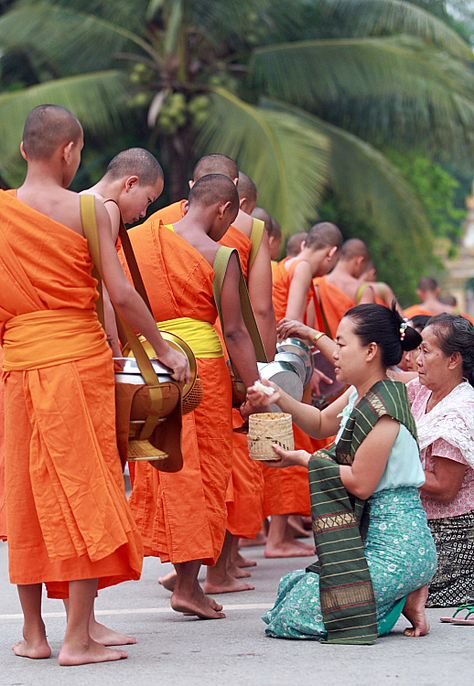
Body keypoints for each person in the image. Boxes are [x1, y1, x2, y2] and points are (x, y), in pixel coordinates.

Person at [0, 104, 188, 666]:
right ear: (69, 151)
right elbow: (121, 294)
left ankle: (34, 635)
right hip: (76, 363)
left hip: (18, 363)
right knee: (88, 492)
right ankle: (77, 639)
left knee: (28, 496)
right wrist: (161, 347)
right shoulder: (88, 210)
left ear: (23, 150)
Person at [247, 304, 437, 642]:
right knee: (291, 590)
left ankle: (396, 595)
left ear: (370, 352)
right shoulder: (361, 394)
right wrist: (279, 398)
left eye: (341, 344)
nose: (334, 355)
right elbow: (320, 423)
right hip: (372, 536)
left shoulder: (385, 412)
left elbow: (361, 484)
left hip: (400, 543)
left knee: (296, 614)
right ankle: (395, 598)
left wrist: (303, 460)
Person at [127, 174, 261, 618]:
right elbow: (238, 331)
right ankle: (188, 585)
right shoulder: (221, 256)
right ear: (223, 209)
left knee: (166, 469)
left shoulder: (139, 243)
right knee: (201, 474)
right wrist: (256, 384)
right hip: (199, 373)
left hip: (149, 366)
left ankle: (182, 577)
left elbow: (118, 302)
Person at [264, 222, 342, 558]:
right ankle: (277, 538)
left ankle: (278, 534)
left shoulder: (284, 264)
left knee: (280, 436)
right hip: (287, 363)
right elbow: (293, 321)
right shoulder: (305, 267)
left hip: (272, 360)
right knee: (287, 439)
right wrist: (302, 369)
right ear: (332, 253)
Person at [408, 314, 474, 608]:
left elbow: (446, 489)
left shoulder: (459, 411)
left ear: (453, 360)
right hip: (420, 523)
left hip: (451, 534)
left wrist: (389, 470)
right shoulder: (422, 391)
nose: (416, 359)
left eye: (426, 351)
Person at [82, 148, 165, 357]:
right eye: (148, 200)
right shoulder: (106, 208)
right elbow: (106, 291)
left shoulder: (78, 201)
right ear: (130, 183)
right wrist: (115, 353)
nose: (144, 213)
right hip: (90, 335)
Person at [324, 238, 375, 305]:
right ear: (359, 261)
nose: (360, 275)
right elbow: (364, 315)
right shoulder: (364, 291)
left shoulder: (317, 284)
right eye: (363, 269)